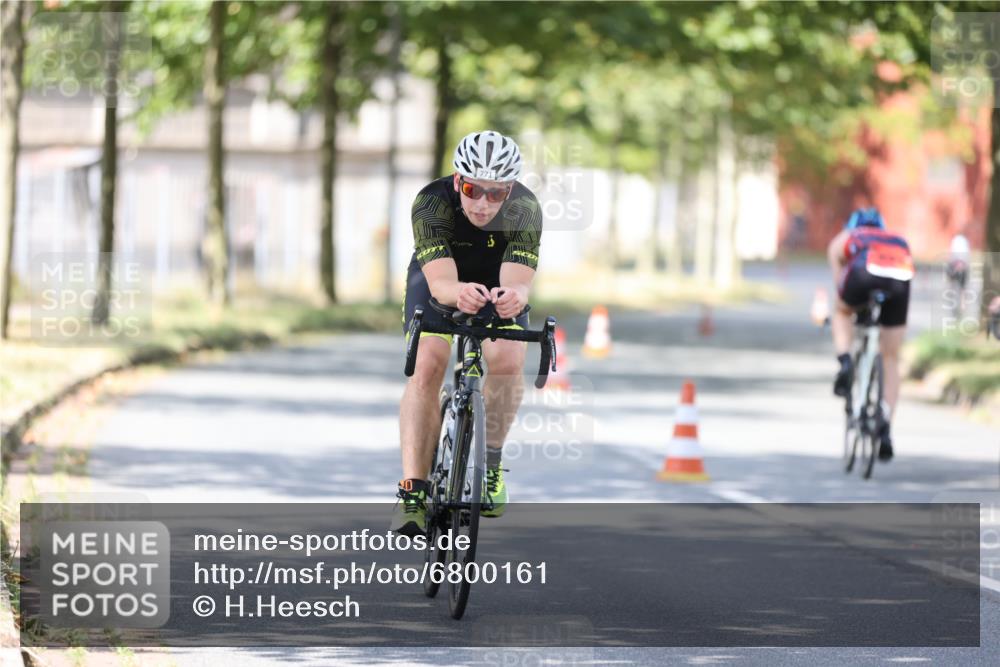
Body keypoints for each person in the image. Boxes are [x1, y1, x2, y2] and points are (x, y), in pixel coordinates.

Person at [391, 131, 543, 537]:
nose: (483, 203)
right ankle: (413, 491)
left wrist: (514, 297)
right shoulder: (432, 201)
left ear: (510, 190)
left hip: (494, 282)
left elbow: (519, 284)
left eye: (496, 194)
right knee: (427, 366)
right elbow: (442, 286)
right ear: (459, 181)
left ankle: (490, 466)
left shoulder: (525, 207)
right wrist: (458, 293)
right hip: (440, 280)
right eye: (474, 190)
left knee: (509, 362)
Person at [828, 207, 914, 462]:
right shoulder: (896, 239)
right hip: (900, 276)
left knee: (841, 311)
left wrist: (848, 304)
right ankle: (885, 424)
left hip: (863, 272)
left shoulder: (849, 236)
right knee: (890, 356)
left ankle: (844, 361)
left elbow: (838, 278)